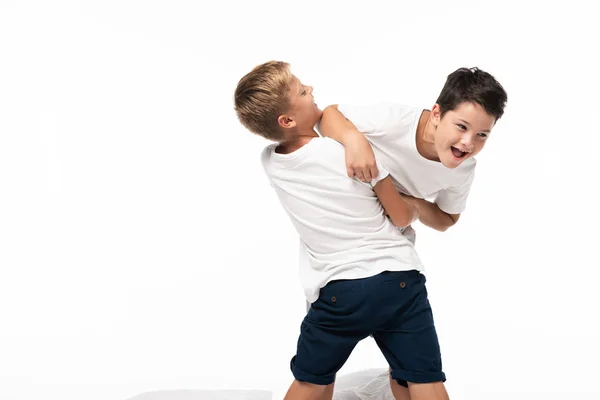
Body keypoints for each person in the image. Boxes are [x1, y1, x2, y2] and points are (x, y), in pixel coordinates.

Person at [234, 60, 450, 400]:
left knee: (311, 380)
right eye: (303, 91)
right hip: (398, 280)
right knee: (424, 379)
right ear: (287, 119)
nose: (312, 90)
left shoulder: (271, 161)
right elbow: (400, 218)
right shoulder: (351, 155)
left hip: (339, 296)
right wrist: (357, 142)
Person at [319, 67, 508, 236]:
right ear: (436, 114)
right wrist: (355, 141)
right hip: (342, 219)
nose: (468, 142)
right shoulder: (393, 121)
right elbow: (329, 115)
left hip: (389, 241)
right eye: (461, 126)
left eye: (482, 134)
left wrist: (410, 203)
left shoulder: (463, 169)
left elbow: (447, 219)